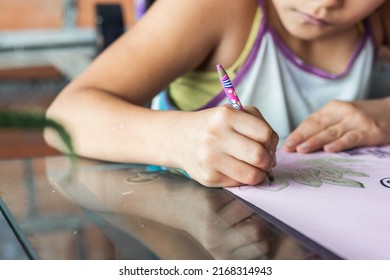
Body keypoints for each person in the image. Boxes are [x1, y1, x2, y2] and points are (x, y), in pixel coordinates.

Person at [44, 0, 390, 187]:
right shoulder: (215, 6)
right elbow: (64, 117)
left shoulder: (377, 18)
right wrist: (181, 140)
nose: (325, 4)